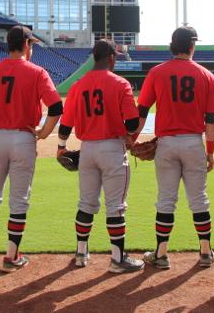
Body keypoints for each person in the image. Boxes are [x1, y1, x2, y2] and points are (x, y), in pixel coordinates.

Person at [0, 25, 62, 272]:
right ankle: (11, 256)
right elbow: (56, 107)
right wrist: (43, 133)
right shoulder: (38, 72)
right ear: (27, 44)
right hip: (24, 139)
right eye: (32, 45)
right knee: (19, 200)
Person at [137, 26, 214, 270]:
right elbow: (211, 120)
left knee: (166, 200)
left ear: (172, 46)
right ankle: (205, 252)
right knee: (199, 200)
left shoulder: (157, 72)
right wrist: (211, 151)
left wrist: (131, 138)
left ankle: (161, 254)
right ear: (192, 46)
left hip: (166, 143)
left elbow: (142, 111)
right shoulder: (206, 75)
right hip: (194, 142)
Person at [58, 39, 144, 273]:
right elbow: (134, 121)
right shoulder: (120, 83)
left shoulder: (77, 85)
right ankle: (117, 259)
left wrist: (61, 147)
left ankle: (81, 253)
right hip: (112, 149)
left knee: (86, 203)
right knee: (115, 207)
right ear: (112, 58)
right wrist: (128, 136)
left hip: (87, 150)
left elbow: (66, 123)